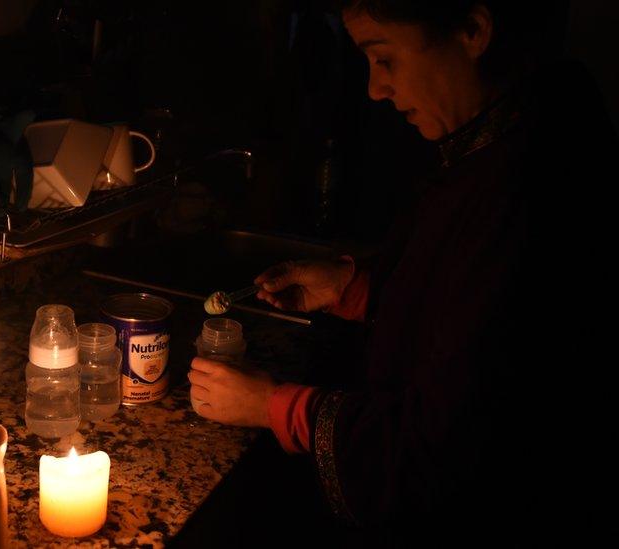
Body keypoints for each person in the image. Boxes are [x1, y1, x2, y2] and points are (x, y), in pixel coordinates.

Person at [187, 1, 615, 546]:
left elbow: (443, 447)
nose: (374, 90)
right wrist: (355, 289)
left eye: (383, 59)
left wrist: (272, 406)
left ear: (472, 29)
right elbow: (467, 311)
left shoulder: (533, 181)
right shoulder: (500, 135)